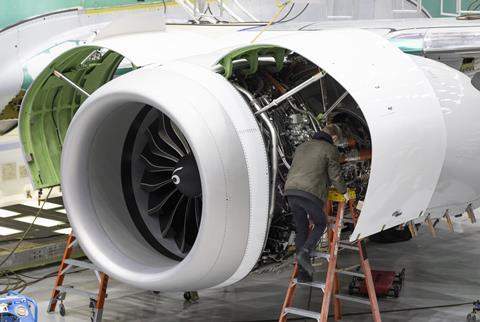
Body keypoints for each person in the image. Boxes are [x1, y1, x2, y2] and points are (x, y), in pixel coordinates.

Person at [284, 124, 348, 282]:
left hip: (291, 191)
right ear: (333, 137)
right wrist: (344, 192)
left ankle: (303, 274)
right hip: (310, 193)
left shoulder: (302, 146)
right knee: (320, 224)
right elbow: (335, 175)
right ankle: (305, 252)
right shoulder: (330, 149)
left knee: (302, 230)